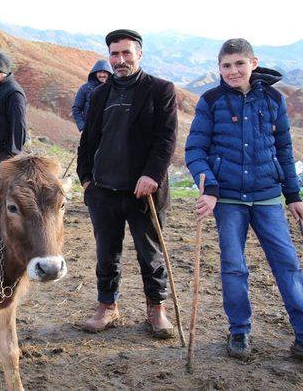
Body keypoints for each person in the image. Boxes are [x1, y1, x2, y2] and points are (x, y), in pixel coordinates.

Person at [185, 38, 303, 361]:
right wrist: (208, 189)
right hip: (229, 200)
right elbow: (195, 150)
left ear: (253, 63)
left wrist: (293, 196)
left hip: (267, 197)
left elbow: (284, 149)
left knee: (287, 265)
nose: (233, 71)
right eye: (226, 65)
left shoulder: (274, 100)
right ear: (219, 68)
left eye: (239, 63)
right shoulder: (210, 101)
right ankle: (239, 331)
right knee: (234, 267)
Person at [77, 29, 178, 338]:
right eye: (115, 54)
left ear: (139, 54)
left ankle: (156, 309)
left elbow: (166, 139)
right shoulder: (99, 94)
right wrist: (85, 179)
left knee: (150, 254)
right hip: (104, 190)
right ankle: (107, 306)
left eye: (126, 53)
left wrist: (152, 175)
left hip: (143, 191)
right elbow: (89, 138)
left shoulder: (160, 90)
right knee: (107, 253)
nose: (120, 60)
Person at [72, 60, 112, 131]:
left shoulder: (113, 88)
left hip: (108, 131)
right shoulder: (85, 88)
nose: (102, 75)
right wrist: (82, 126)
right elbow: (76, 108)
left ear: (109, 73)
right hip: (89, 129)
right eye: (100, 72)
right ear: (95, 73)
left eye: (105, 72)